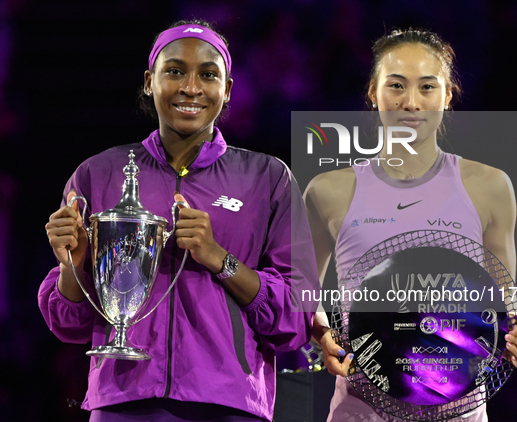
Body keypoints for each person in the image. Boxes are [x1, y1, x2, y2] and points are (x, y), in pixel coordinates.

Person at [39, 19, 318, 422]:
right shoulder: (99, 175)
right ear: (150, 81)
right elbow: (69, 325)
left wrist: (217, 257)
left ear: (227, 90)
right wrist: (73, 265)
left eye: (208, 75)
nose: (191, 87)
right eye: (174, 71)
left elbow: (295, 318)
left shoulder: (267, 178)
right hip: (122, 402)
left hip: (227, 405)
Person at [304, 28, 517, 421]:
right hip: (360, 408)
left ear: (447, 96)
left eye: (427, 87)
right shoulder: (328, 191)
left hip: (459, 410)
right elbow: (300, 291)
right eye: (396, 85)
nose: (410, 102)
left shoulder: (490, 187)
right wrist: (321, 333)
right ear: (373, 93)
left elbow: (502, 303)